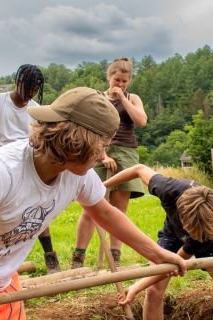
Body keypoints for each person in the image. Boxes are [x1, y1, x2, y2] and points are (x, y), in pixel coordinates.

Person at [0, 87, 187, 320]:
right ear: (80, 142)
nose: (103, 155)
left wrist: (157, 254)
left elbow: (104, 212)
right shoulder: (1, 173)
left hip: (4, 282)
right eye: (103, 145)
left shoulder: (77, 175)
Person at [111, 164, 213, 320]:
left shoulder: (210, 223)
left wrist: (137, 286)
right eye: (192, 230)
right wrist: (102, 187)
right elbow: (139, 169)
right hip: (172, 234)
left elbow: (178, 262)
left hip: (210, 240)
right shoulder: (167, 189)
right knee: (153, 291)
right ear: (182, 215)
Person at [0, 64, 60, 274]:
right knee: (4, 210)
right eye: (29, 88)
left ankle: (50, 256)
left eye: (35, 90)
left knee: (37, 207)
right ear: (19, 82)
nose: (31, 94)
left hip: (27, 161)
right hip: (1, 161)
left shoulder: (34, 108)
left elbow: (38, 138)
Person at [71, 57, 147, 268]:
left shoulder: (132, 98)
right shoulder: (98, 98)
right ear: (109, 77)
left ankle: (115, 258)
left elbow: (141, 121)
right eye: (117, 80)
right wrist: (102, 155)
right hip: (99, 150)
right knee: (90, 207)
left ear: (128, 81)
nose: (120, 84)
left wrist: (122, 98)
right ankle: (78, 259)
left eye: (124, 81)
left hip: (126, 153)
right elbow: (91, 127)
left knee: (119, 210)